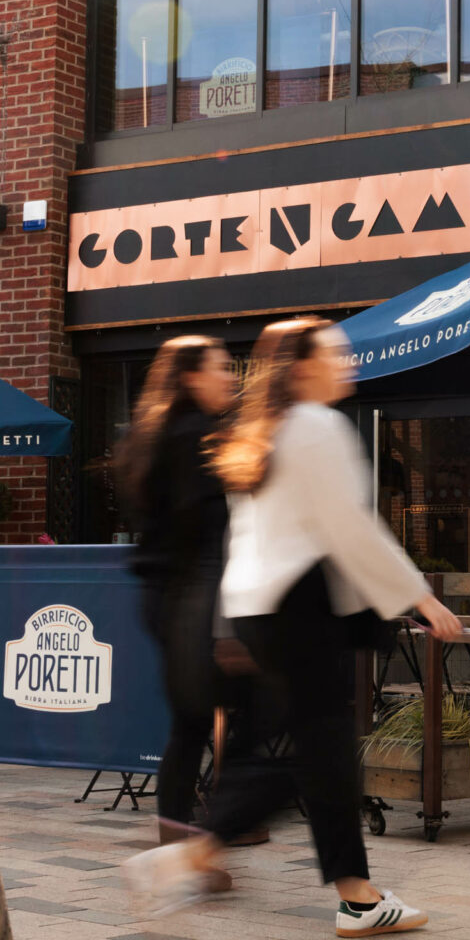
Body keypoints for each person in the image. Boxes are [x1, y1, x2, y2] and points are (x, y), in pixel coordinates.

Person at [124, 317, 464, 936]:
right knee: (321, 751)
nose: (348, 365)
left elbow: (245, 539)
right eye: (336, 355)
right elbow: (351, 527)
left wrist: (230, 628)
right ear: (302, 368)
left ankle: (351, 895)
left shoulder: (257, 430)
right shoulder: (316, 425)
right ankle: (206, 860)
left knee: (307, 752)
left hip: (260, 610)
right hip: (302, 606)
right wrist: (420, 597)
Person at [117, 334, 263, 895]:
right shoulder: (199, 437)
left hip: (162, 600)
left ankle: (184, 848)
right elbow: (213, 538)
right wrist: (226, 626)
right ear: (189, 377)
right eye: (222, 369)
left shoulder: (148, 437)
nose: (231, 378)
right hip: (197, 600)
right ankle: (197, 849)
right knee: (252, 716)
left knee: (193, 725)